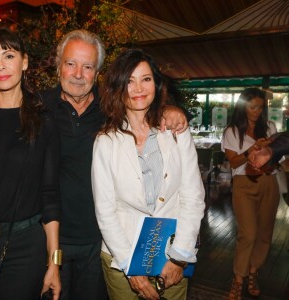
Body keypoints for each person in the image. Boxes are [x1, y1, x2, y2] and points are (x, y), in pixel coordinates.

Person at [44, 30, 189, 300]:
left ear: (97, 72)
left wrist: (171, 110)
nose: (78, 73)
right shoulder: (38, 108)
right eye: (70, 63)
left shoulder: (111, 109)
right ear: (58, 64)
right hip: (50, 238)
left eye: (87, 66)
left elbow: (143, 102)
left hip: (101, 240)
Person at [91, 48, 205, 300]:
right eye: (129, 81)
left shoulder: (176, 131)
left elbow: (192, 197)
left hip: (170, 254)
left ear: (156, 83)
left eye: (145, 79)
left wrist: (179, 256)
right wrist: (130, 268)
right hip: (122, 256)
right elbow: (105, 211)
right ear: (117, 87)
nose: (138, 88)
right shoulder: (106, 141)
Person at [0, 28, 61, 300]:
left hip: (25, 246)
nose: (0, 65)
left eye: (8, 55)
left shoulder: (43, 122)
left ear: (25, 62)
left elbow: (50, 196)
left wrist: (54, 262)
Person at [221, 87, 280, 300]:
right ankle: (238, 280)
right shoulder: (232, 131)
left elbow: (279, 158)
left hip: (269, 181)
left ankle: (253, 274)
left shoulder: (271, 127)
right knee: (249, 234)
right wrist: (252, 149)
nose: (256, 111)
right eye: (252, 107)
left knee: (264, 234)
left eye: (260, 108)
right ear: (243, 106)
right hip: (243, 183)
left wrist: (272, 154)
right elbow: (234, 161)